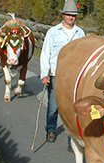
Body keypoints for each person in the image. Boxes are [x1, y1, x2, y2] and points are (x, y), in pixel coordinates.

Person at [40, 0, 85, 148]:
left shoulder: (80, 33)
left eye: (74, 15)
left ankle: (71, 138)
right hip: (56, 74)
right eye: (69, 15)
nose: (71, 17)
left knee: (72, 108)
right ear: (63, 15)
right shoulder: (53, 32)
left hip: (73, 76)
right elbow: (45, 54)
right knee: (53, 106)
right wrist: (44, 74)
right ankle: (51, 130)